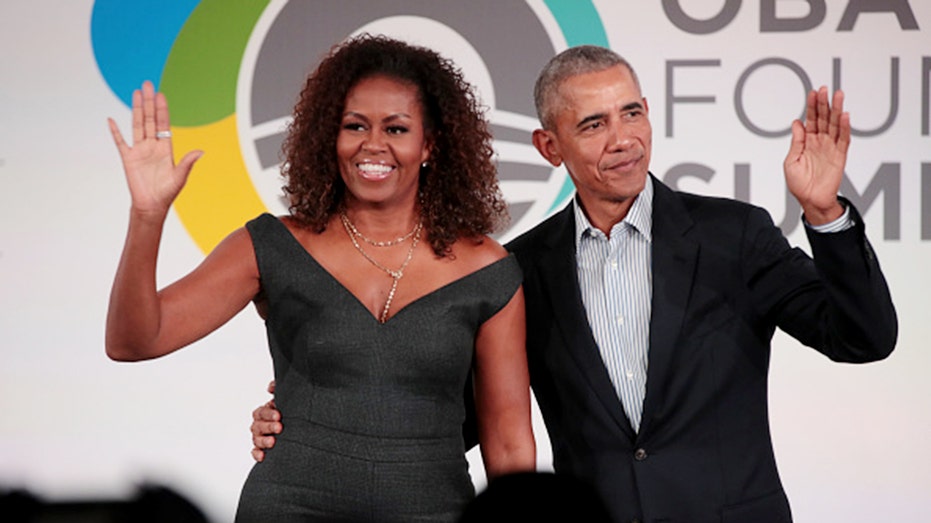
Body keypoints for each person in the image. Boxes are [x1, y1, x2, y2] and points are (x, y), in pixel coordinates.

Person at [251, 45, 897, 522]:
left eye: (631, 113)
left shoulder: (734, 235)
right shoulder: (517, 269)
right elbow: (457, 420)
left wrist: (823, 214)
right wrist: (310, 417)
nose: (623, 140)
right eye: (593, 124)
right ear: (548, 145)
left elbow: (862, 337)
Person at [105, 35, 535, 523]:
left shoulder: (486, 269)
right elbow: (134, 340)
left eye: (396, 128)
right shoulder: (273, 246)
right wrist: (147, 214)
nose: (373, 144)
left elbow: (508, 440)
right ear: (330, 137)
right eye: (355, 126)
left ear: (429, 144)